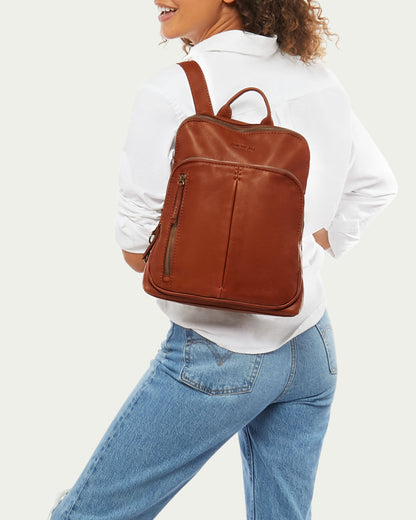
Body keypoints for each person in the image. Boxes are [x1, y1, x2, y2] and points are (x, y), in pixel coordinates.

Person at [48, 1, 398, 519]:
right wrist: (321, 239)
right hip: (312, 345)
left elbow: (133, 247)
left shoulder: (172, 91)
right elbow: (376, 183)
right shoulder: (317, 77)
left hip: (218, 352)